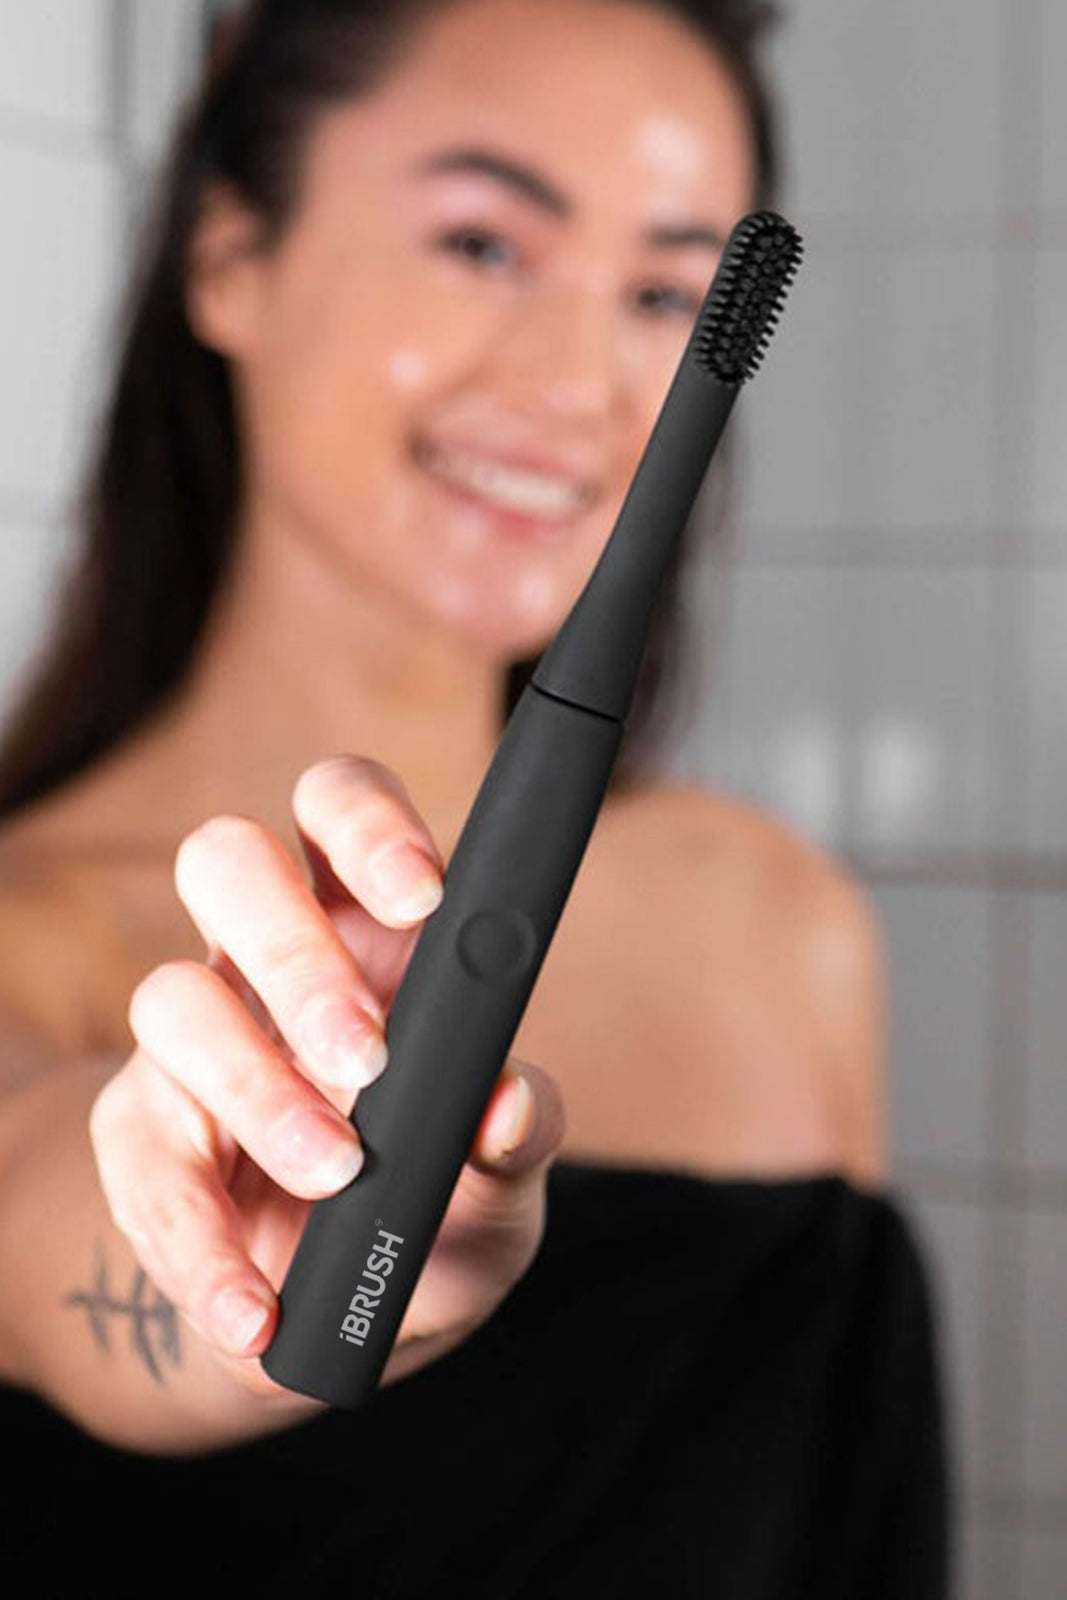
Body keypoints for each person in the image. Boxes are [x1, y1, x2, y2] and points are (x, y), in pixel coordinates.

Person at [0, 0, 949, 1593]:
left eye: (663, 291)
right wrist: (233, 1266)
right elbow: (51, 1231)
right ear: (230, 257)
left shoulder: (783, 929)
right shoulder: (20, 938)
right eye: (483, 246)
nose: (579, 380)